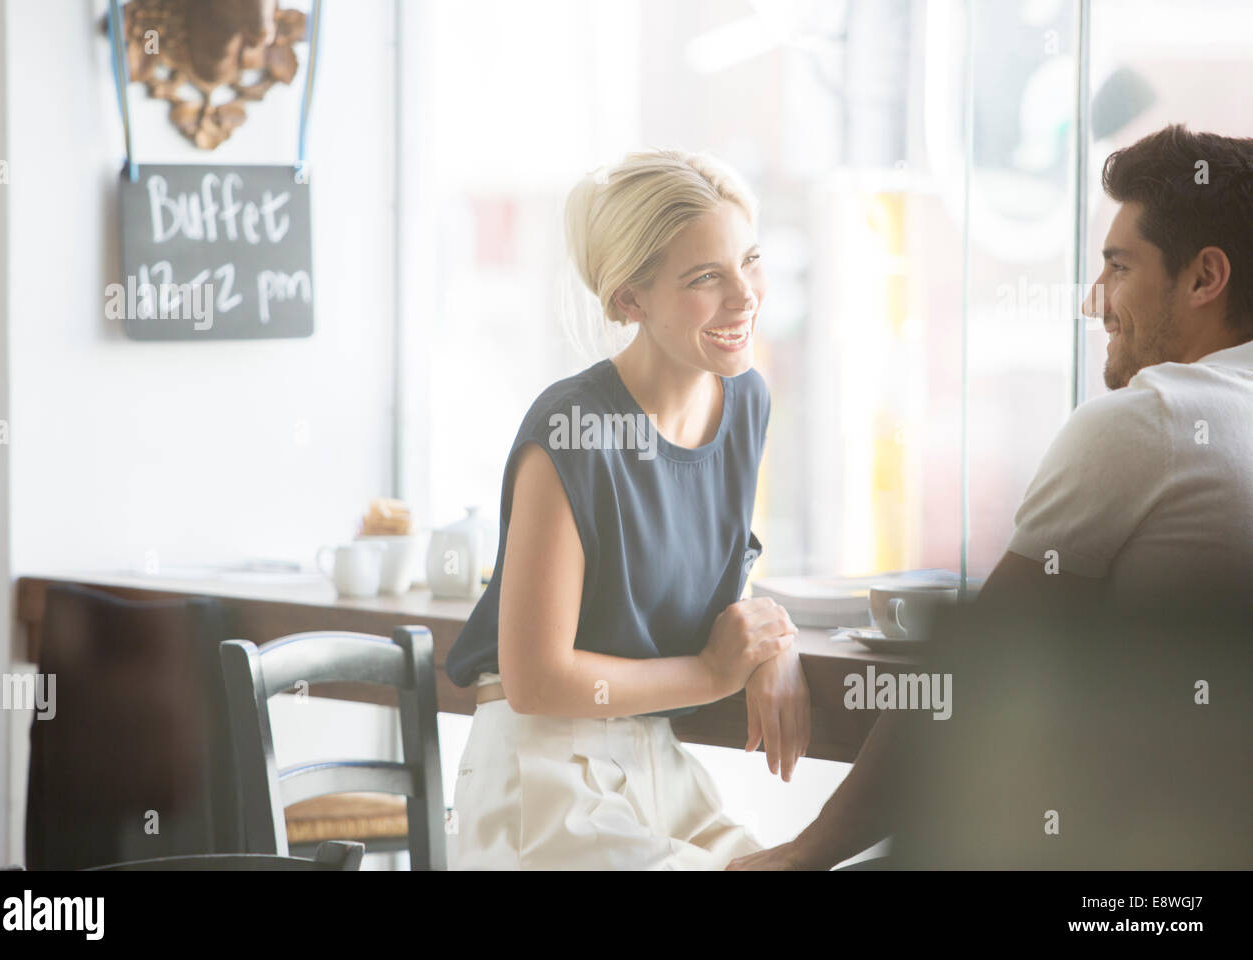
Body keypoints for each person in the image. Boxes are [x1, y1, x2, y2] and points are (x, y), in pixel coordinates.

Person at [727, 123, 1253, 870]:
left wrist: (804, 855)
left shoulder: (1153, 420)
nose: (1093, 303)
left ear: (1204, 278)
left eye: (1118, 267)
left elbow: (967, 690)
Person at [444, 148, 810, 869]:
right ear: (628, 302)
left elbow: (718, 577)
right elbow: (536, 679)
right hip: (543, 775)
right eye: (706, 277)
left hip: (655, 761)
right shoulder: (571, 430)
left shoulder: (745, 403)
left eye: (750, 261)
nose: (745, 296)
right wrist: (713, 674)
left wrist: (775, 644)